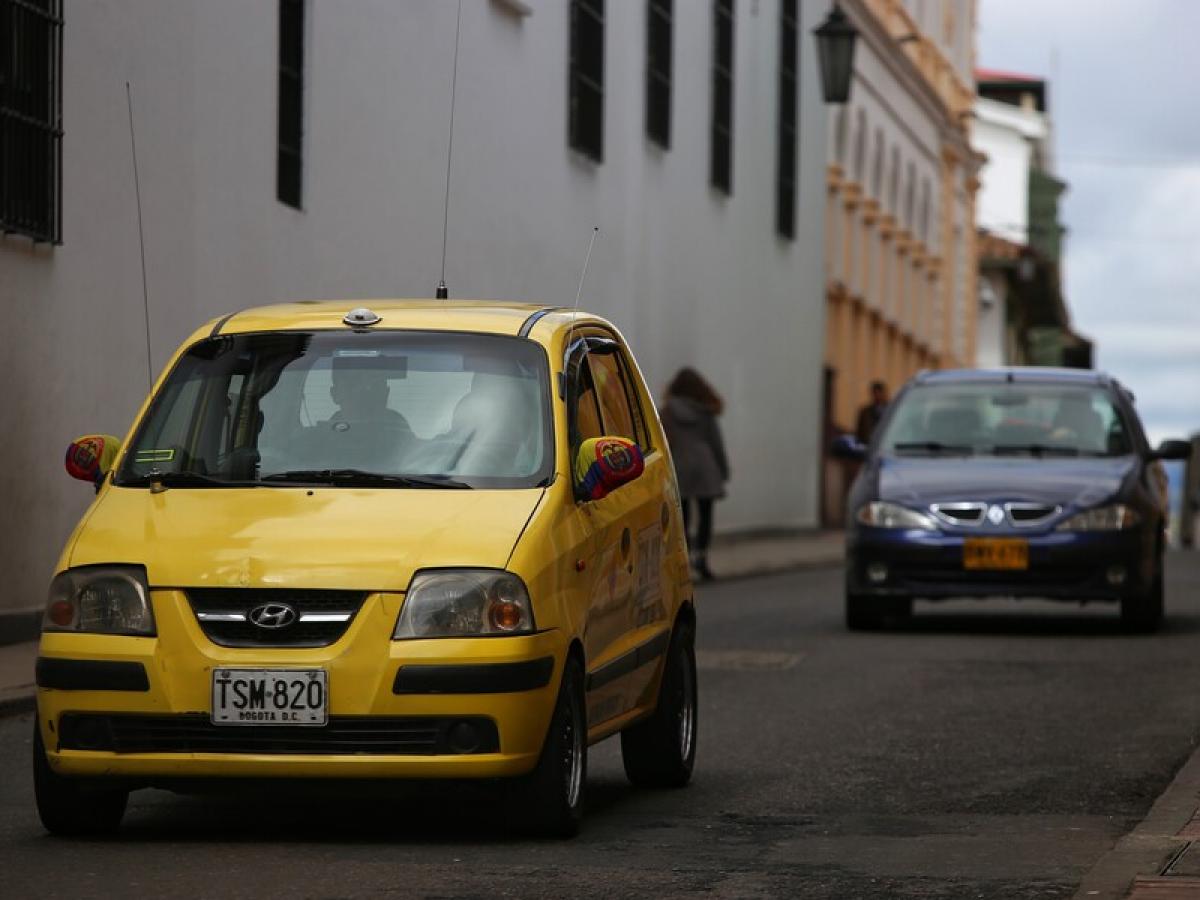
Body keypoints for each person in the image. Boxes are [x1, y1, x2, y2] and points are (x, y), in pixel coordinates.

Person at [660, 368, 729, 581]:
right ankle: (702, 557)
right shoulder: (705, 412)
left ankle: (686, 559)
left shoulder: (667, 412)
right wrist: (723, 470)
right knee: (706, 516)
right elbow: (716, 443)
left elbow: (663, 442)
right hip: (705, 465)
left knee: (683, 517)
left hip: (680, 465)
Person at [855, 380, 889, 445]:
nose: (877, 395)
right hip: (868, 447)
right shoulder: (865, 412)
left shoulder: (891, 411)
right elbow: (859, 433)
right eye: (875, 393)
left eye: (879, 393)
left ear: (884, 393)